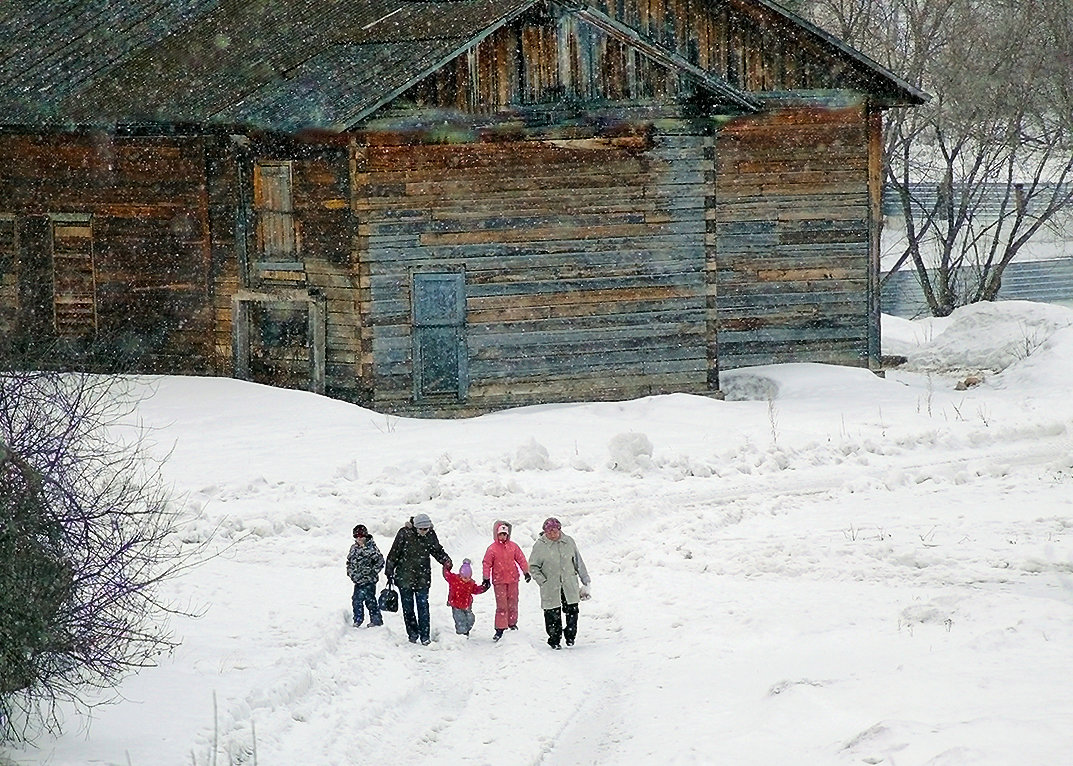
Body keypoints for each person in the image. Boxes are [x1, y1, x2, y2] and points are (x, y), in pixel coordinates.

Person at [385, 513, 452, 645]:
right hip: (404, 578)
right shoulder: (404, 533)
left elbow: (437, 551)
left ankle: (425, 636)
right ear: (415, 527)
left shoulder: (430, 535)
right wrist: (389, 570)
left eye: (426, 529)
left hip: (422, 577)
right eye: (421, 529)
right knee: (408, 608)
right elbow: (394, 553)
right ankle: (412, 633)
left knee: (423, 607)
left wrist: (446, 560)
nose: (424, 532)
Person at [529, 517, 590, 650]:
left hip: (569, 583)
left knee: (572, 611)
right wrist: (543, 581)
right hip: (550, 585)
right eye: (549, 531)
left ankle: (570, 636)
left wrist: (585, 580)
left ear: (559, 529)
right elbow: (533, 567)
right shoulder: (540, 545)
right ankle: (554, 639)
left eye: (555, 531)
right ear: (545, 532)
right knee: (552, 613)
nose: (552, 534)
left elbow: (578, 562)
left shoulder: (568, 542)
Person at [481, 520, 530, 642]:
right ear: (496, 535)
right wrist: (486, 578)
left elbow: (521, 559)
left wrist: (526, 572)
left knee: (513, 602)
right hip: (499, 581)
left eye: (505, 534)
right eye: (500, 534)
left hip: (513, 579)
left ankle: (512, 624)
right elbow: (486, 563)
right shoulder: (492, 549)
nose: (502, 536)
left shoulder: (513, 547)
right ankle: (500, 628)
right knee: (502, 605)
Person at [346, 524, 385, 628]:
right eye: (356, 536)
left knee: (370, 600)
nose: (359, 539)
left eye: (361, 536)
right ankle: (358, 619)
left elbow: (380, 562)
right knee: (356, 600)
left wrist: (372, 572)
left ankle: (376, 620)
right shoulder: (353, 548)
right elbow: (349, 561)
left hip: (369, 581)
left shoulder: (372, 548)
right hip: (358, 580)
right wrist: (350, 572)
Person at [442, 558, 490, 637]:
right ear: (460, 575)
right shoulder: (454, 579)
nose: (466, 580)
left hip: (467, 605)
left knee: (471, 618)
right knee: (460, 619)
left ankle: (466, 630)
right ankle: (462, 634)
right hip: (456, 604)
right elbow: (446, 574)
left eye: (468, 578)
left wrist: (484, 587)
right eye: (464, 578)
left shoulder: (470, 584)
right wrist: (446, 567)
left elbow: (476, 590)